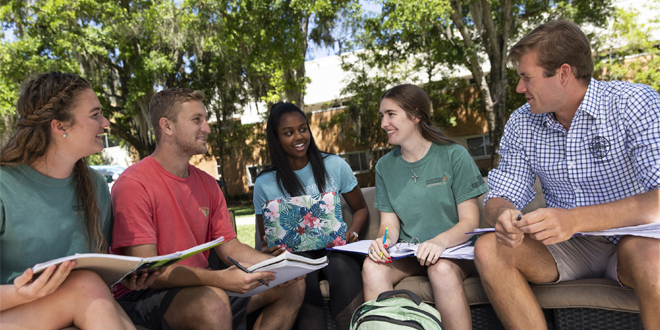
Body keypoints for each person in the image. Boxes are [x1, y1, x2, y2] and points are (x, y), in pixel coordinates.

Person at [474, 19, 660, 329]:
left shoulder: (634, 104)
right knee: (491, 248)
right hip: (569, 246)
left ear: (563, 73)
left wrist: (574, 219)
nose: (520, 88)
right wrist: (503, 214)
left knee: (652, 255)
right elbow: (500, 195)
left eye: (526, 78)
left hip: (634, 237)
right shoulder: (522, 123)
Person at [111, 88, 305, 330]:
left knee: (291, 285)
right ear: (167, 126)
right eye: (196, 120)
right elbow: (148, 270)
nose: (207, 128)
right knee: (212, 302)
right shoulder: (134, 184)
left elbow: (230, 248)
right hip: (143, 294)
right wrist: (221, 278)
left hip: (204, 285)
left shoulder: (208, 184)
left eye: (205, 119)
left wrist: (281, 267)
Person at [0, 72, 146, 330]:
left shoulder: (95, 185)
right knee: (85, 285)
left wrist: (127, 276)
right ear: (59, 126)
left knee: (89, 286)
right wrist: (21, 294)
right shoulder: (4, 186)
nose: (106, 123)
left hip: (80, 309)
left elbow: (101, 266)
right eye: (95, 114)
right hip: (12, 312)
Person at [362, 84, 488, 330]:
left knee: (440, 268)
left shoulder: (454, 155)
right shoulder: (384, 167)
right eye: (381, 116)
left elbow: (470, 222)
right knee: (372, 266)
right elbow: (389, 225)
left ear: (416, 116)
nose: (383, 123)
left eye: (391, 114)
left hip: (453, 251)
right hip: (411, 253)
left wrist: (439, 243)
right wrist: (383, 241)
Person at [253, 102, 369, 330]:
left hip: (336, 250)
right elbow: (265, 237)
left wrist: (353, 231)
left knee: (341, 268)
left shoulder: (335, 165)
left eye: (303, 129)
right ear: (276, 138)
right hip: (296, 256)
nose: (299, 136)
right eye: (288, 132)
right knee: (302, 278)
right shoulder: (264, 183)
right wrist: (271, 245)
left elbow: (361, 209)